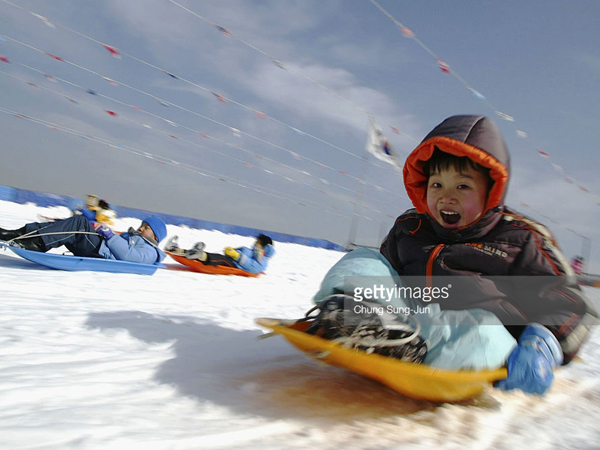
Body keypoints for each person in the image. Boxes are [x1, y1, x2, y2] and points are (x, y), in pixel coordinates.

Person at [379, 115, 597, 394]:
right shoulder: (410, 228)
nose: (447, 197)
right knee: (361, 263)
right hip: (408, 328)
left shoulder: (521, 238)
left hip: (484, 346)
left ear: (492, 190)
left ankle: (428, 352)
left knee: (482, 330)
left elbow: (572, 306)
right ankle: (348, 320)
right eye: (437, 185)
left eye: (463, 186)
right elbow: (382, 276)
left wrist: (543, 343)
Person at [0, 214, 167, 265]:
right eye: (142, 225)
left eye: (147, 228)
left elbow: (130, 256)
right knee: (66, 225)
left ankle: (36, 244)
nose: (141, 228)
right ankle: (18, 234)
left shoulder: (151, 252)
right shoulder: (135, 237)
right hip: (100, 247)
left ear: (156, 237)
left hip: (102, 254)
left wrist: (109, 235)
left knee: (78, 223)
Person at [165, 234, 275, 274]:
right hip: (230, 259)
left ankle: (199, 254)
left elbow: (254, 268)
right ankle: (177, 250)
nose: (254, 245)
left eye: (257, 243)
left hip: (233, 264)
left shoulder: (262, 259)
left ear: (264, 247)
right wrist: (233, 251)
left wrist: (236, 255)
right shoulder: (255, 252)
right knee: (213, 256)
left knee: (216, 259)